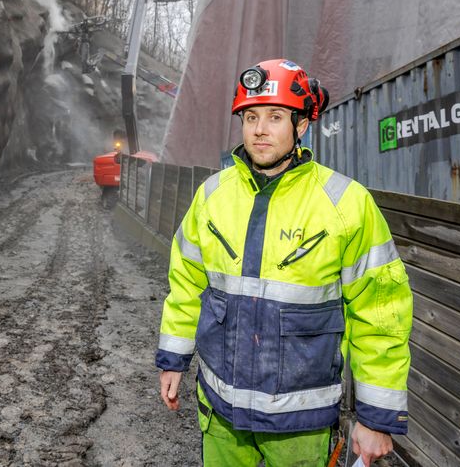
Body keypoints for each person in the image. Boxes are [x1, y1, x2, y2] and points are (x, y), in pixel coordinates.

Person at [156, 59, 412, 466]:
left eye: (275, 117)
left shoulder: (345, 203)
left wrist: (376, 417)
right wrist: (174, 359)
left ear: (302, 126)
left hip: (301, 425)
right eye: (251, 116)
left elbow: (380, 314)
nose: (259, 129)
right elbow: (186, 284)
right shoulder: (212, 196)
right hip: (222, 416)